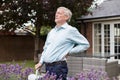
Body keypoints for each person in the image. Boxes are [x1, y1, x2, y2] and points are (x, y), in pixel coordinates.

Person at [35, 6, 90, 80]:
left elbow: (85, 44)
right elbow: (46, 48)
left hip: (59, 67)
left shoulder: (70, 30)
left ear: (66, 17)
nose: (56, 15)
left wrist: (69, 52)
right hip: (47, 66)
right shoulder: (52, 32)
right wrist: (41, 62)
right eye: (56, 13)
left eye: (59, 13)